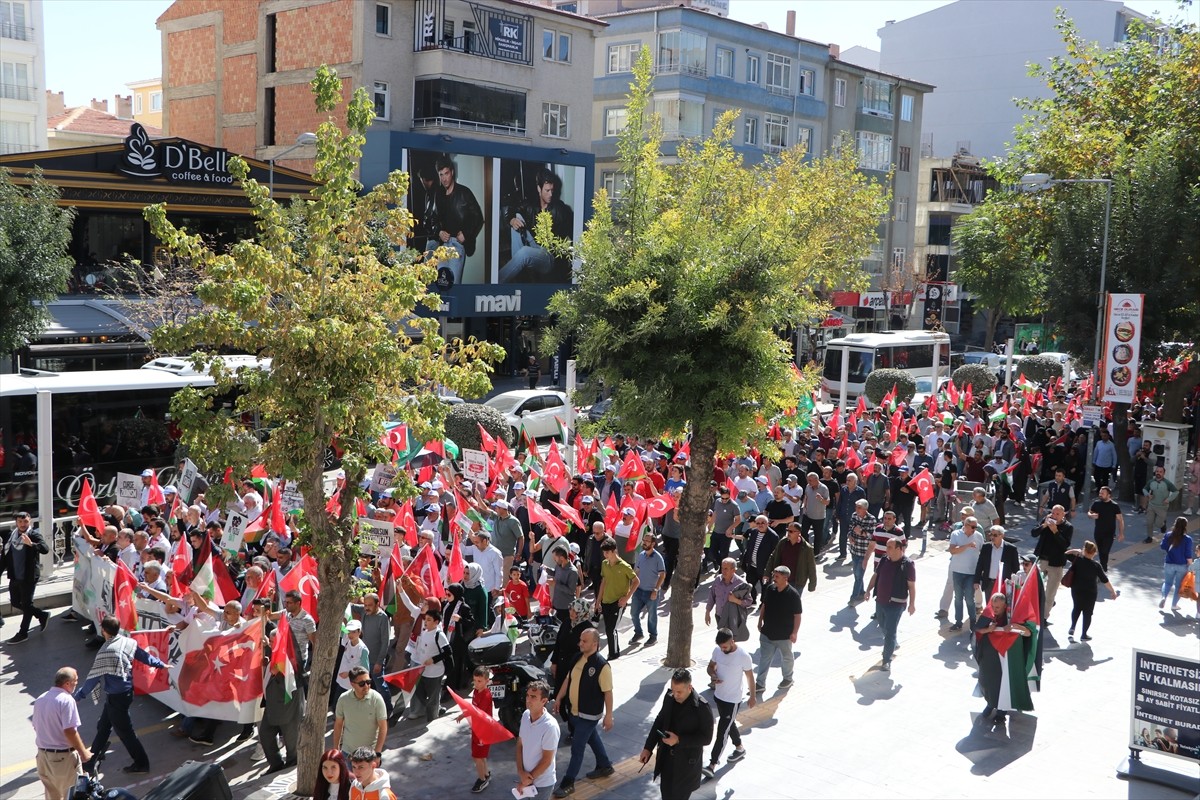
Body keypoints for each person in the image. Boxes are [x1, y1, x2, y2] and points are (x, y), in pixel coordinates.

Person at [75, 615, 167, 775]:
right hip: (124, 693)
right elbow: (143, 656)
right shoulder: (127, 641)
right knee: (103, 726)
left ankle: (141, 763)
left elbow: (92, 679)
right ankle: (92, 760)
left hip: (117, 698)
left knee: (126, 733)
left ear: (103, 630)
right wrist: (160, 664)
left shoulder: (105, 651)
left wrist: (77, 697)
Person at [551, 629, 615, 797]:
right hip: (574, 713)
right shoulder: (577, 658)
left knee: (577, 749)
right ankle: (605, 765)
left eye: (584, 641)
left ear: (595, 644)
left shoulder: (602, 666)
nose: (580, 643)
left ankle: (568, 783)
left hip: (589, 716)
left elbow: (608, 692)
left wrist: (609, 715)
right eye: (580, 640)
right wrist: (558, 698)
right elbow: (568, 679)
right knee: (592, 738)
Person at [639, 669, 714, 800]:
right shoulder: (669, 698)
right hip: (667, 760)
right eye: (673, 690)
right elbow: (659, 721)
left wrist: (679, 740)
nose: (675, 695)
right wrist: (648, 748)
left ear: (689, 687)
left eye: (679, 692)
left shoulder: (702, 707)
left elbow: (706, 738)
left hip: (686, 765)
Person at [501, 169, 575, 284]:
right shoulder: (531, 205)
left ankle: (495, 282)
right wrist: (512, 220)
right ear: (539, 189)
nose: (550, 194)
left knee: (525, 252)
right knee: (517, 216)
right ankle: (519, 270)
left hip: (549, 255)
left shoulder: (560, 209)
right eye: (547, 190)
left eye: (552, 190)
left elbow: (574, 234)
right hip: (534, 245)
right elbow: (511, 210)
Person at [973, 592, 1035, 725]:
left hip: (1006, 656)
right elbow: (977, 630)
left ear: (1005, 606)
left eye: (998, 608)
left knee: (1004, 683)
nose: (994, 610)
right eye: (993, 607)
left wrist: (1015, 627)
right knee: (988, 681)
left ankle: (1002, 711)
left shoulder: (1012, 617)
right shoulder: (989, 614)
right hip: (989, 656)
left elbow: (1029, 633)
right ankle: (990, 704)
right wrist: (988, 629)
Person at [702, 629, 755, 780]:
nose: (722, 649)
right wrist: (713, 675)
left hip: (733, 700)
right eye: (721, 647)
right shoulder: (717, 650)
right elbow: (710, 667)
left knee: (722, 731)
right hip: (719, 696)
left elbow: (750, 677)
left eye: (725, 646)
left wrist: (752, 696)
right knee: (729, 724)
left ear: (732, 641)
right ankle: (739, 748)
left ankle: (712, 765)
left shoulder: (743, 656)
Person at [32, 667, 92, 800]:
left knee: (52, 796)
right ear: (67, 683)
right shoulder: (66, 700)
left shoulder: (41, 699)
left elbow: (36, 727)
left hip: (42, 757)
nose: (77, 684)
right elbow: (70, 731)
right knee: (73, 795)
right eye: (75, 681)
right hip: (62, 760)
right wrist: (83, 753)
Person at [425, 155, 483, 287]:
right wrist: (438, 231)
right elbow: (431, 219)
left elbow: (478, 217)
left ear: (452, 172)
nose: (444, 178)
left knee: (453, 285)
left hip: (457, 244)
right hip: (442, 245)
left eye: (446, 173)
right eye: (441, 175)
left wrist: (466, 233)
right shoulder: (438, 194)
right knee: (442, 285)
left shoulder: (464, 192)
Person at [866, 537, 916, 671]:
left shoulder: (908, 564)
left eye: (889, 547)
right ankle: (893, 643)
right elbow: (876, 576)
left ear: (899, 549)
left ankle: (886, 660)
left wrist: (912, 604)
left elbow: (911, 586)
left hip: (896, 604)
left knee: (890, 632)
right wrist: (868, 590)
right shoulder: (883, 560)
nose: (886, 549)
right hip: (880, 601)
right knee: (883, 626)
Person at [2, 510, 51, 643]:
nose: (23, 524)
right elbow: (5, 556)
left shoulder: (33, 534)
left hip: (28, 576)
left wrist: (32, 544)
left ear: (30, 522)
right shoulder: (10, 536)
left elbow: (45, 549)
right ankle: (41, 614)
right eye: (20, 521)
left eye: (25, 521)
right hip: (15, 575)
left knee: (26, 604)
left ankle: (23, 633)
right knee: (15, 602)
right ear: (16, 523)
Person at [755, 566, 802, 692]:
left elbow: (797, 615)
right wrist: (760, 621)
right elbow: (764, 605)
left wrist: (794, 633)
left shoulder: (793, 595)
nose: (774, 578)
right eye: (773, 575)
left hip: (784, 635)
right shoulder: (770, 589)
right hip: (767, 632)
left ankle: (788, 678)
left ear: (785, 578)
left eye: (777, 576)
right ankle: (760, 683)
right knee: (764, 658)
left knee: (787, 657)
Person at [1063, 541, 1119, 639]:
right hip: (1090, 592)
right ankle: (1084, 634)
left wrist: (1076, 551)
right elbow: (1105, 580)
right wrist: (1112, 591)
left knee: (1076, 608)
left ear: (1084, 550)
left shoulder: (1078, 560)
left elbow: (1065, 553)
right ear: (1094, 553)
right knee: (1087, 613)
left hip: (1076, 589)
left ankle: (1072, 626)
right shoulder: (1096, 566)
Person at [516, 680, 560, 799]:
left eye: (533, 697)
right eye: (528, 695)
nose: (528, 700)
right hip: (525, 779)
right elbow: (520, 744)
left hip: (542, 784)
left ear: (544, 701)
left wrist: (528, 779)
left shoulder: (550, 726)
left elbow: (547, 760)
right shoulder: (526, 715)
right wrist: (521, 772)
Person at [408, 608, 453, 724]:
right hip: (423, 670)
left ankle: (432, 719)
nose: (426, 622)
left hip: (435, 672)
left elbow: (448, 651)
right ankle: (434, 709)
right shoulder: (425, 632)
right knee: (419, 691)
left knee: (433, 697)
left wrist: (433, 659)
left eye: (429, 620)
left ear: (436, 622)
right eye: (425, 619)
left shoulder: (439, 635)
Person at [594, 538, 637, 659]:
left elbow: (636, 582)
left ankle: (613, 654)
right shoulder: (605, 564)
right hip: (606, 601)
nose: (605, 555)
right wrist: (598, 601)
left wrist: (626, 598)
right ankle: (614, 651)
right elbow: (604, 581)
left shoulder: (624, 566)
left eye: (607, 552)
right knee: (609, 628)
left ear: (614, 551)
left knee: (611, 630)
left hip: (618, 603)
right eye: (604, 553)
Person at [332, 666, 388, 759]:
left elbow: (383, 727)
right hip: (348, 753)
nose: (366, 686)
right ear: (352, 684)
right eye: (362, 683)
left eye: (368, 682)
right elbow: (338, 725)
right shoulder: (343, 699)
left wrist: (377, 753)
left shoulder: (376, 698)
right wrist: (336, 750)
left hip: (369, 754)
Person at [455, 666, 494, 794]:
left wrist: (466, 713)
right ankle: (486, 774)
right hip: (477, 729)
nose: (476, 684)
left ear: (487, 681)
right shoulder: (477, 692)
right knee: (480, 755)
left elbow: (477, 712)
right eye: (475, 680)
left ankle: (482, 779)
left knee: (477, 756)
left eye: (480, 681)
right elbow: (473, 707)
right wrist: (463, 714)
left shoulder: (486, 695)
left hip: (483, 730)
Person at [1031, 505, 1073, 621]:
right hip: (1042, 560)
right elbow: (1033, 533)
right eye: (1053, 513)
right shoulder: (1046, 520)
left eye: (1057, 514)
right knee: (1036, 587)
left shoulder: (1068, 527)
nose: (1054, 516)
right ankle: (1036, 610)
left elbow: (1065, 545)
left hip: (1056, 563)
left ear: (1063, 514)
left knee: (1050, 592)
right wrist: (1043, 525)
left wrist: (1055, 531)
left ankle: (1043, 617)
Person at [947, 517, 984, 632]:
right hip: (957, 571)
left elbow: (983, 553)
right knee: (958, 597)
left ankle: (973, 622)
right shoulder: (955, 534)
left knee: (969, 598)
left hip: (972, 573)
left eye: (976, 527)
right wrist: (967, 546)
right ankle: (958, 622)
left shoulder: (979, 536)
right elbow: (952, 550)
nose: (974, 529)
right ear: (965, 525)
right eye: (972, 527)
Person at [629, 531, 666, 647]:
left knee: (651, 616)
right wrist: (631, 586)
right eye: (644, 540)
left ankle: (653, 636)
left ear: (653, 543)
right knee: (633, 613)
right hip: (638, 590)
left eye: (647, 541)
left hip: (651, 592)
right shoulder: (640, 555)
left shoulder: (658, 558)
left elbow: (662, 574)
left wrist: (656, 589)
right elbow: (637, 571)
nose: (644, 543)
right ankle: (638, 633)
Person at [1159, 517, 1194, 612]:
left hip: (1169, 563)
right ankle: (1174, 605)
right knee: (1179, 586)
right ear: (1185, 526)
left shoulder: (1168, 535)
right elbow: (1188, 555)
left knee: (1167, 583)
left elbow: (1162, 546)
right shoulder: (1188, 539)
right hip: (1182, 566)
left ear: (1175, 524)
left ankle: (1163, 597)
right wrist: (1192, 567)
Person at [1087, 486, 1125, 571]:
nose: (1100, 495)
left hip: (1109, 533)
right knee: (1101, 552)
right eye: (1100, 493)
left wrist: (1121, 533)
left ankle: (1103, 569)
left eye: (1102, 493)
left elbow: (1120, 520)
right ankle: (1103, 568)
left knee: (1105, 551)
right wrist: (1091, 515)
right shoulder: (1096, 503)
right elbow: (1089, 512)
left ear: (1109, 495)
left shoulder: (1114, 506)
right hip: (1098, 532)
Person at [1143, 465, 1178, 543]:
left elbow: (1176, 491)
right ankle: (1149, 537)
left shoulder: (1167, 483)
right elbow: (1144, 489)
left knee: (1158, 524)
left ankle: (1163, 525)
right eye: (1157, 471)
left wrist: (1169, 499)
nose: (1158, 473)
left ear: (1164, 473)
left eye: (1160, 472)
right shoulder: (1151, 481)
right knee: (1149, 522)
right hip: (1151, 505)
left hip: (1162, 507)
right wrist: (1147, 494)